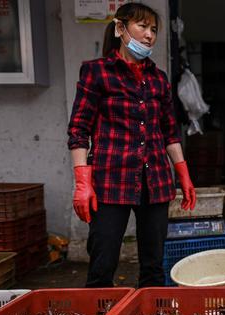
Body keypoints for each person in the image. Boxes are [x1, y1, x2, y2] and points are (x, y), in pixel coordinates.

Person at [67, 3, 196, 288]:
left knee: (153, 264)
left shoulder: (158, 79)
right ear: (120, 28)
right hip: (111, 180)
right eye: (142, 27)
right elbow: (79, 129)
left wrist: (182, 171)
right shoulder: (96, 72)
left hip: (156, 179)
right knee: (103, 260)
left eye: (153, 30)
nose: (149, 35)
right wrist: (82, 181)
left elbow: (169, 132)